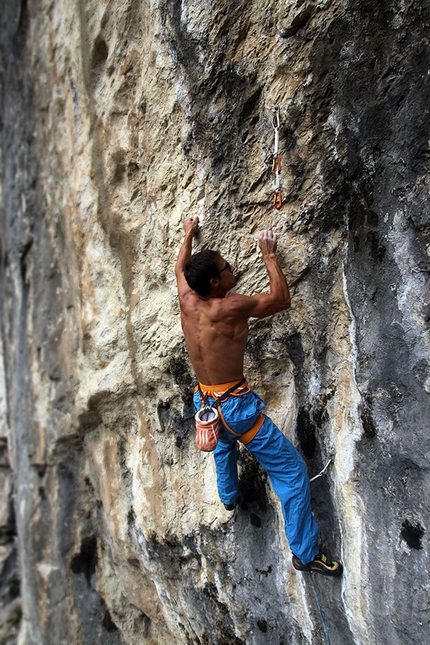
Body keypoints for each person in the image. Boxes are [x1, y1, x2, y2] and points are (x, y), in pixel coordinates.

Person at [175, 216, 342, 577]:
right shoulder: (228, 307)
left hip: (205, 402)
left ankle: (229, 496)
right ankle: (306, 553)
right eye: (226, 267)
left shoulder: (187, 299)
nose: (233, 268)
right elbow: (280, 300)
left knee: (221, 445)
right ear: (216, 283)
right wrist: (268, 255)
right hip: (236, 408)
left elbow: (180, 267)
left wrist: (189, 233)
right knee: (292, 471)